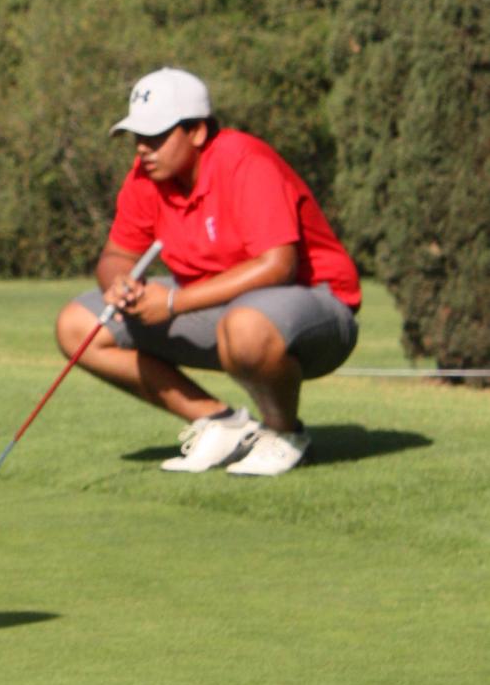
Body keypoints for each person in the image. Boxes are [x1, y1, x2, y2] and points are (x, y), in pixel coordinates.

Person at [55, 68, 361, 477]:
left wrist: (173, 302)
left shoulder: (245, 161)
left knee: (246, 326)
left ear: (197, 131)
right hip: (220, 307)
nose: (143, 148)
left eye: (156, 136)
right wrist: (119, 284)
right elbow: (116, 254)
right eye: (137, 137)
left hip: (319, 307)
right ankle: (221, 423)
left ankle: (285, 434)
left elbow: (277, 264)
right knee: (78, 326)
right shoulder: (146, 176)